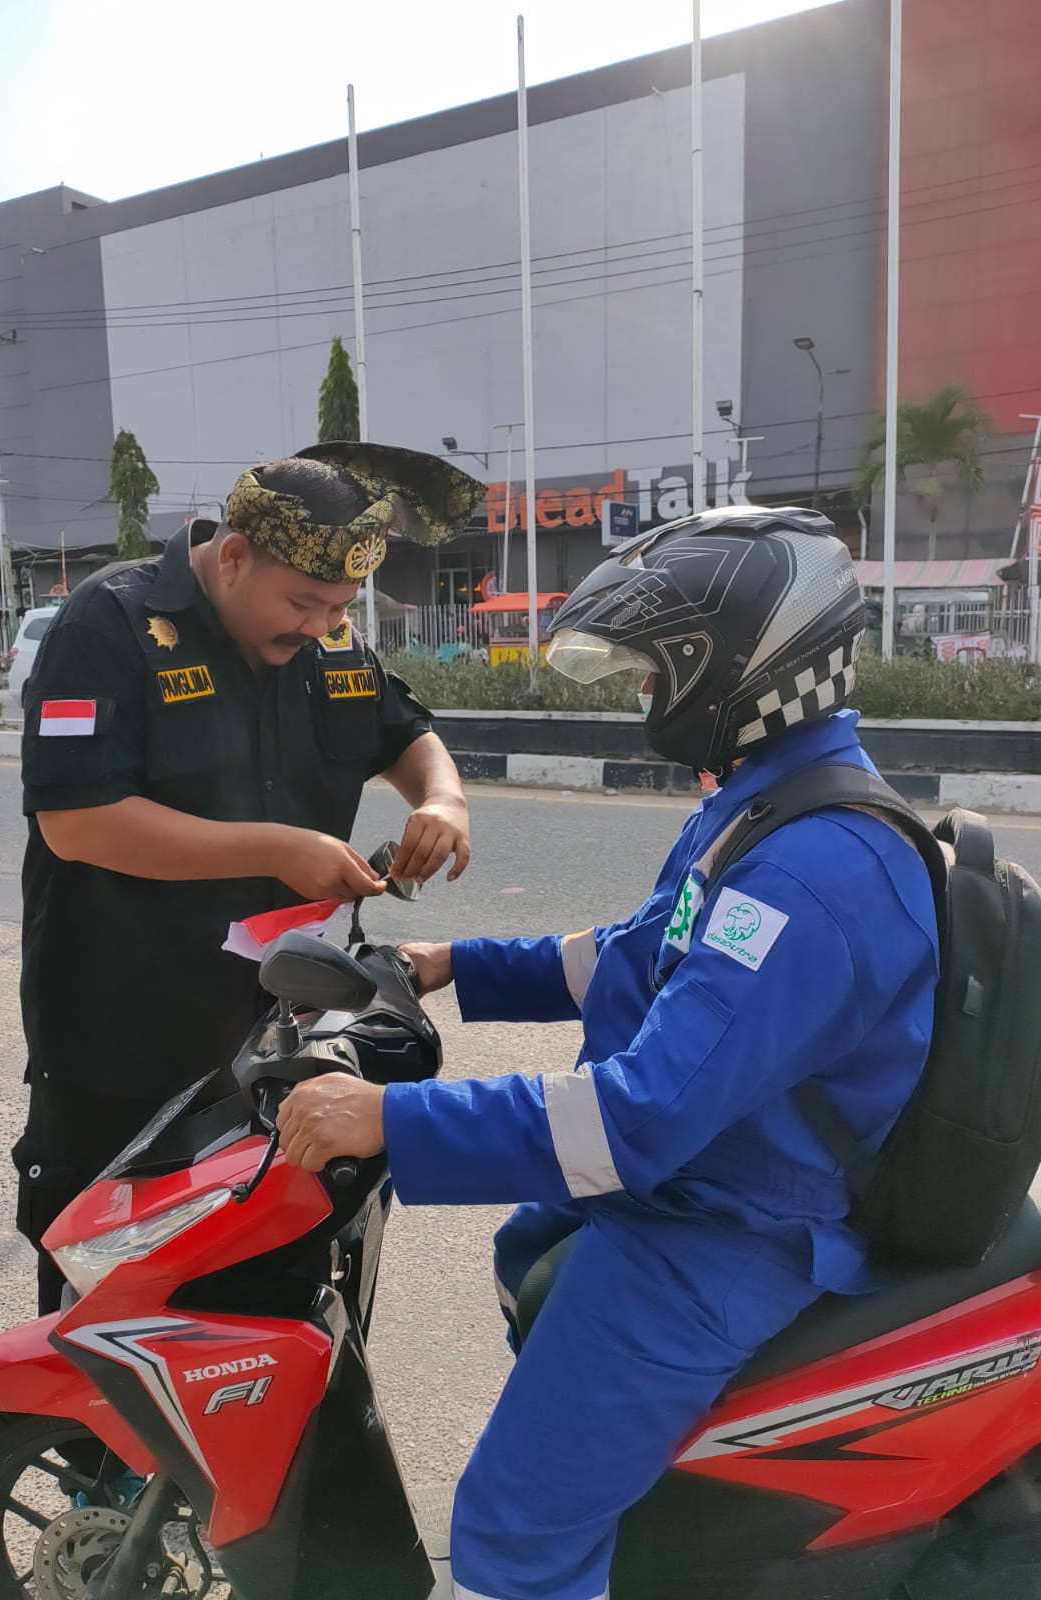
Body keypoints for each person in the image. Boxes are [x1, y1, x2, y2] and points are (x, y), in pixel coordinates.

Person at [276, 505, 941, 1600]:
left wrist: (387, 1120)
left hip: (732, 1225)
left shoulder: (812, 873)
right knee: (526, 1252)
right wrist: (457, 963)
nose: (641, 693)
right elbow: (639, 953)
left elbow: (635, 1119)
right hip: (702, 1177)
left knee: (509, 1528)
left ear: (742, 668)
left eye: (656, 668)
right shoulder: (762, 801)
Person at [14, 441, 482, 1314]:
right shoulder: (107, 626)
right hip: (126, 1041)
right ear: (232, 557)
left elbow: (407, 735)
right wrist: (273, 848)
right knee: (112, 1305)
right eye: (304, 602)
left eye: (339, 607)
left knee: (266, 1289)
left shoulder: (326, 639)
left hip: (276, 1036)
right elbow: (76, 822)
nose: (320, 625)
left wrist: (444, 800)